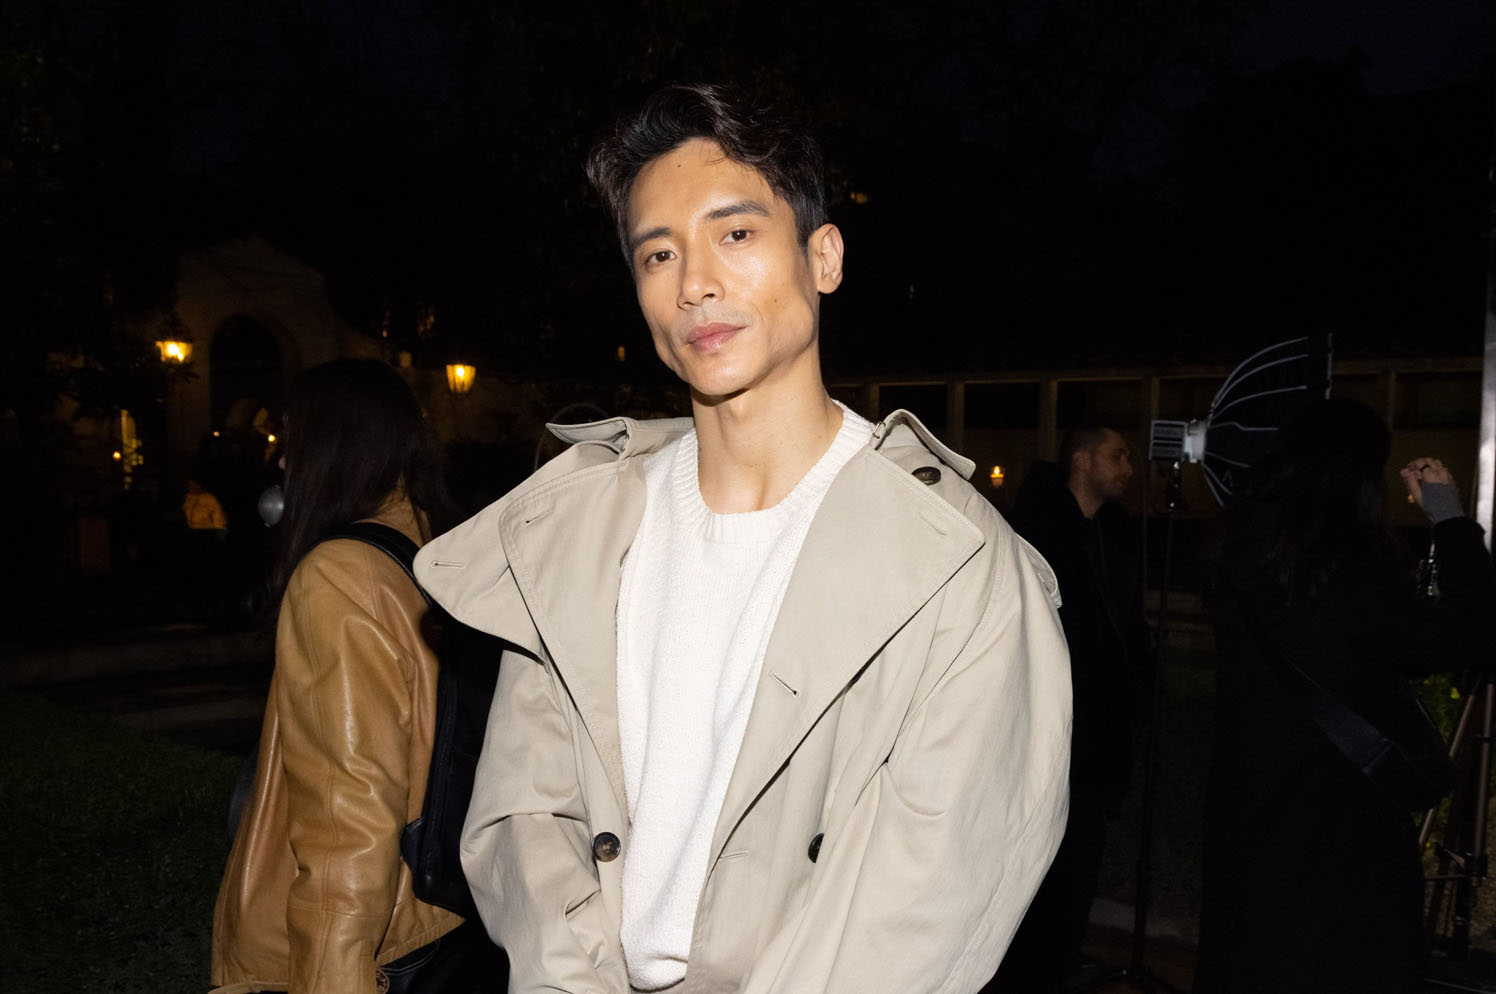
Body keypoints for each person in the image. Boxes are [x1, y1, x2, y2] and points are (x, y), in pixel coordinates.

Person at [414, 82, 1073, 994]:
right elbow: (523, 820)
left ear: (823, 257)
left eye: (735, 233)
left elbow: (920, 910)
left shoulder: (958, 567)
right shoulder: (571, 532)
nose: (695, 283)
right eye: (658, 253)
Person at [210, 358, 498, 994]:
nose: (282, 461)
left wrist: (331, 975)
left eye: (292, 440)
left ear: (331, 448)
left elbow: (349, 817)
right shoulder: (441, 558)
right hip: (450, 923)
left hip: (378, 953)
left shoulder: (338, 577)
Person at [1195, 398, 1496, 994]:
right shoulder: (1355, 567)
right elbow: (1479, 633)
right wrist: (1448, 515)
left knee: (1252, 954)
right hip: (1344, 816)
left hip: (1250, 804)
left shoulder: (1232, 545)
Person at [992, 427, 1151, 992]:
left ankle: (1060, 954)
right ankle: (1023, 966)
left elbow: (1124, 627)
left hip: (1097, 729)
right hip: (1048, 722)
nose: (1128, 468)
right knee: (1038, 852)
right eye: (1116, 455)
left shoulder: (1112, 534)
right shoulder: (1037, 531)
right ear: (1081, 460)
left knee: (1082, 850)